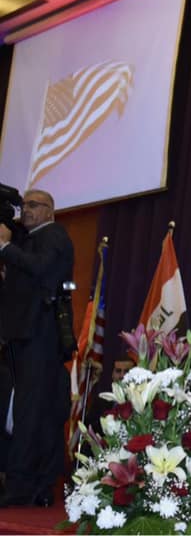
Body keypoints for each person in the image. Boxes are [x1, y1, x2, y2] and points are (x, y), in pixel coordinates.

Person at [0, 189, 74, 507]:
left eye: (33, 205)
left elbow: (42, 268)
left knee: (31, 413)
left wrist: (4, 248)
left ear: (50, 212)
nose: (25, 210)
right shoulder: (28, 240)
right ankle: (32, 483)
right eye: (24, 205)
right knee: (30, 413)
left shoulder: (55, 235)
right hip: (21, 336)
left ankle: (21, 485)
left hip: (40, 337)